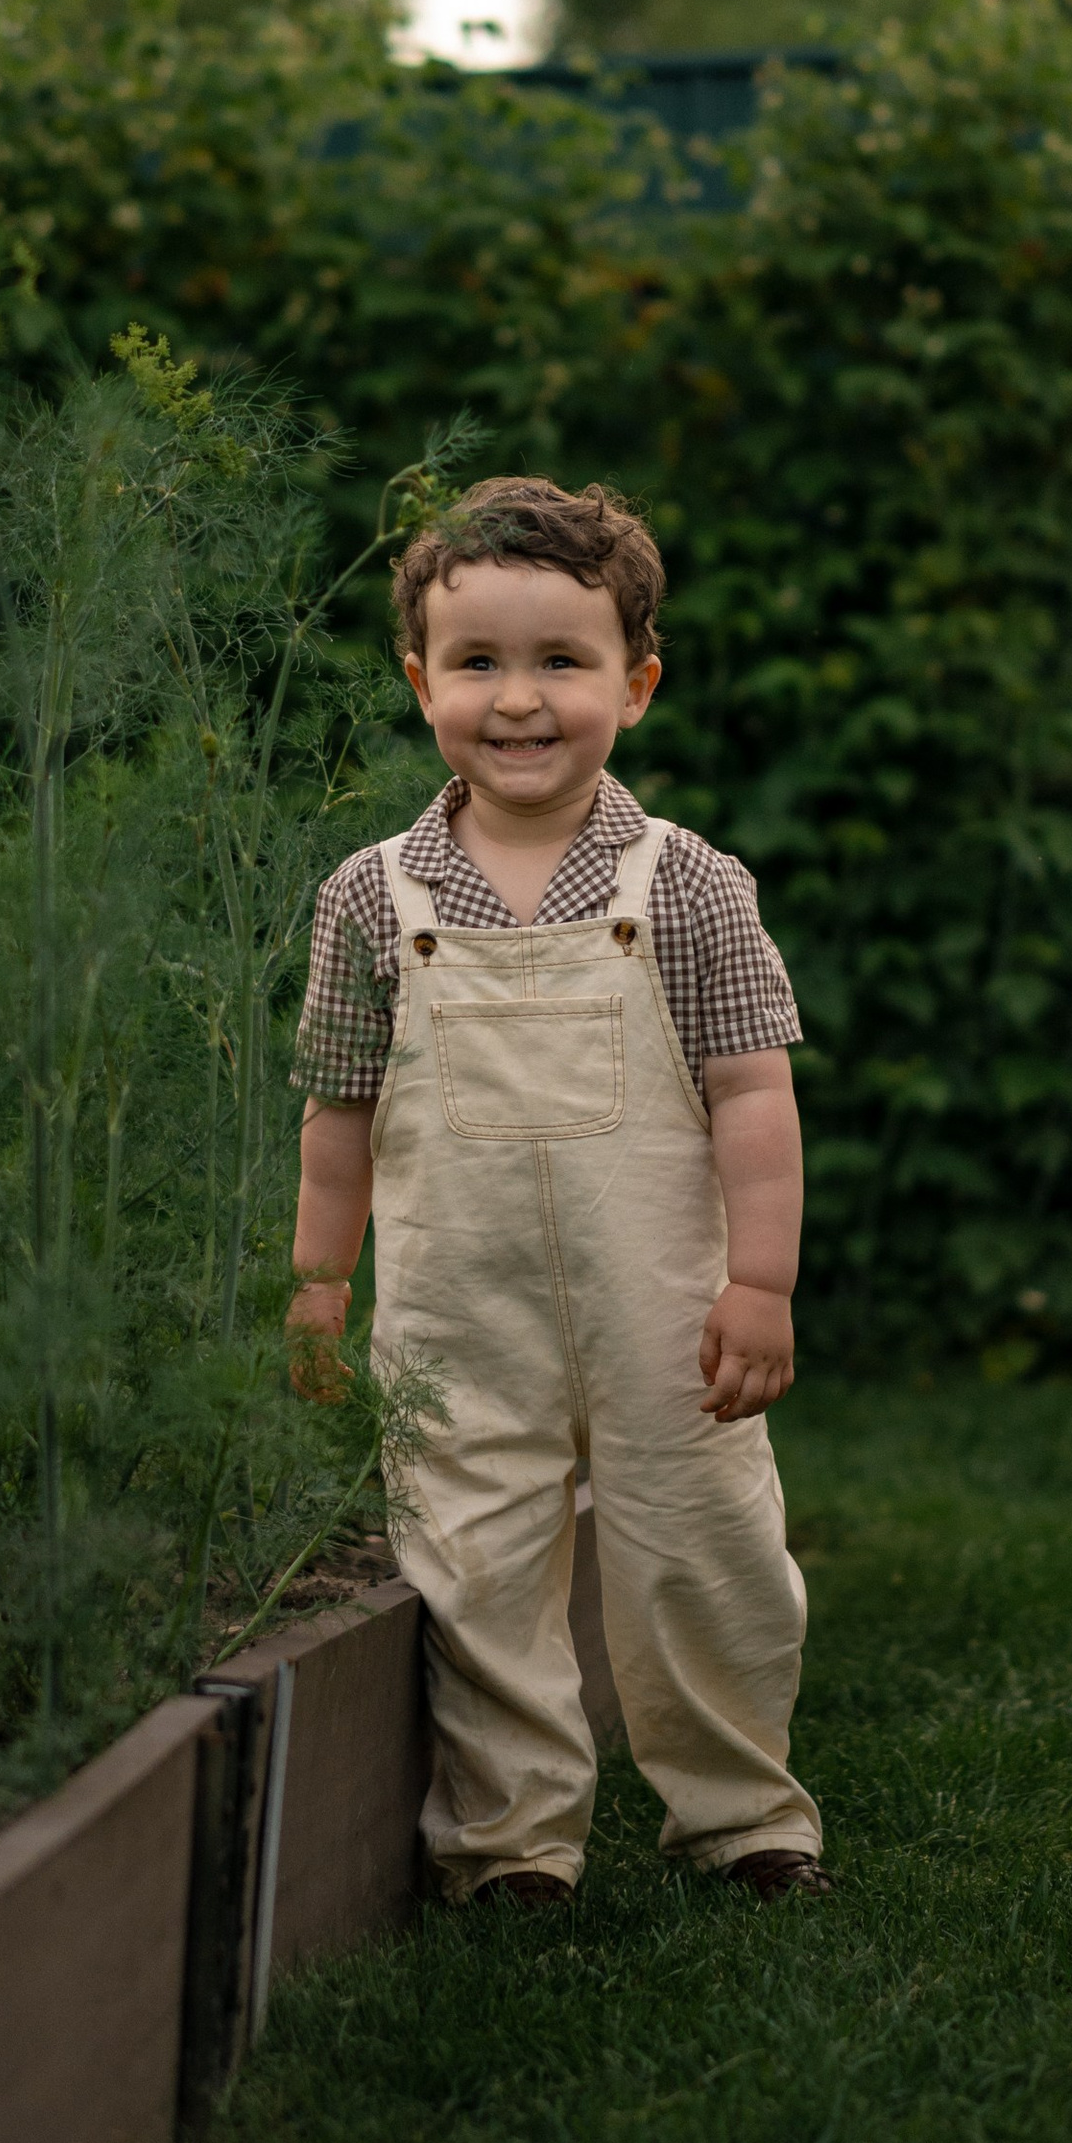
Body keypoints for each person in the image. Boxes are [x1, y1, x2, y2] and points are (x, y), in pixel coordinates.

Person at [286, 474, 827, 1909]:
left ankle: (742, 1817)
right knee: (477, 1571)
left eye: (561, 663)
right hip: (461, 1323)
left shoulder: (692, 886)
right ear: (420, 684)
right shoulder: (370, 896)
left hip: (668, 1320)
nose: (518, 702)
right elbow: (337, 1113)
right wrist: (320, 1279)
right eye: (477, 664)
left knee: (704, 1555)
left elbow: (754, 1099)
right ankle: (515, 1847)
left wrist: (760, 1281)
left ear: (636, 685)